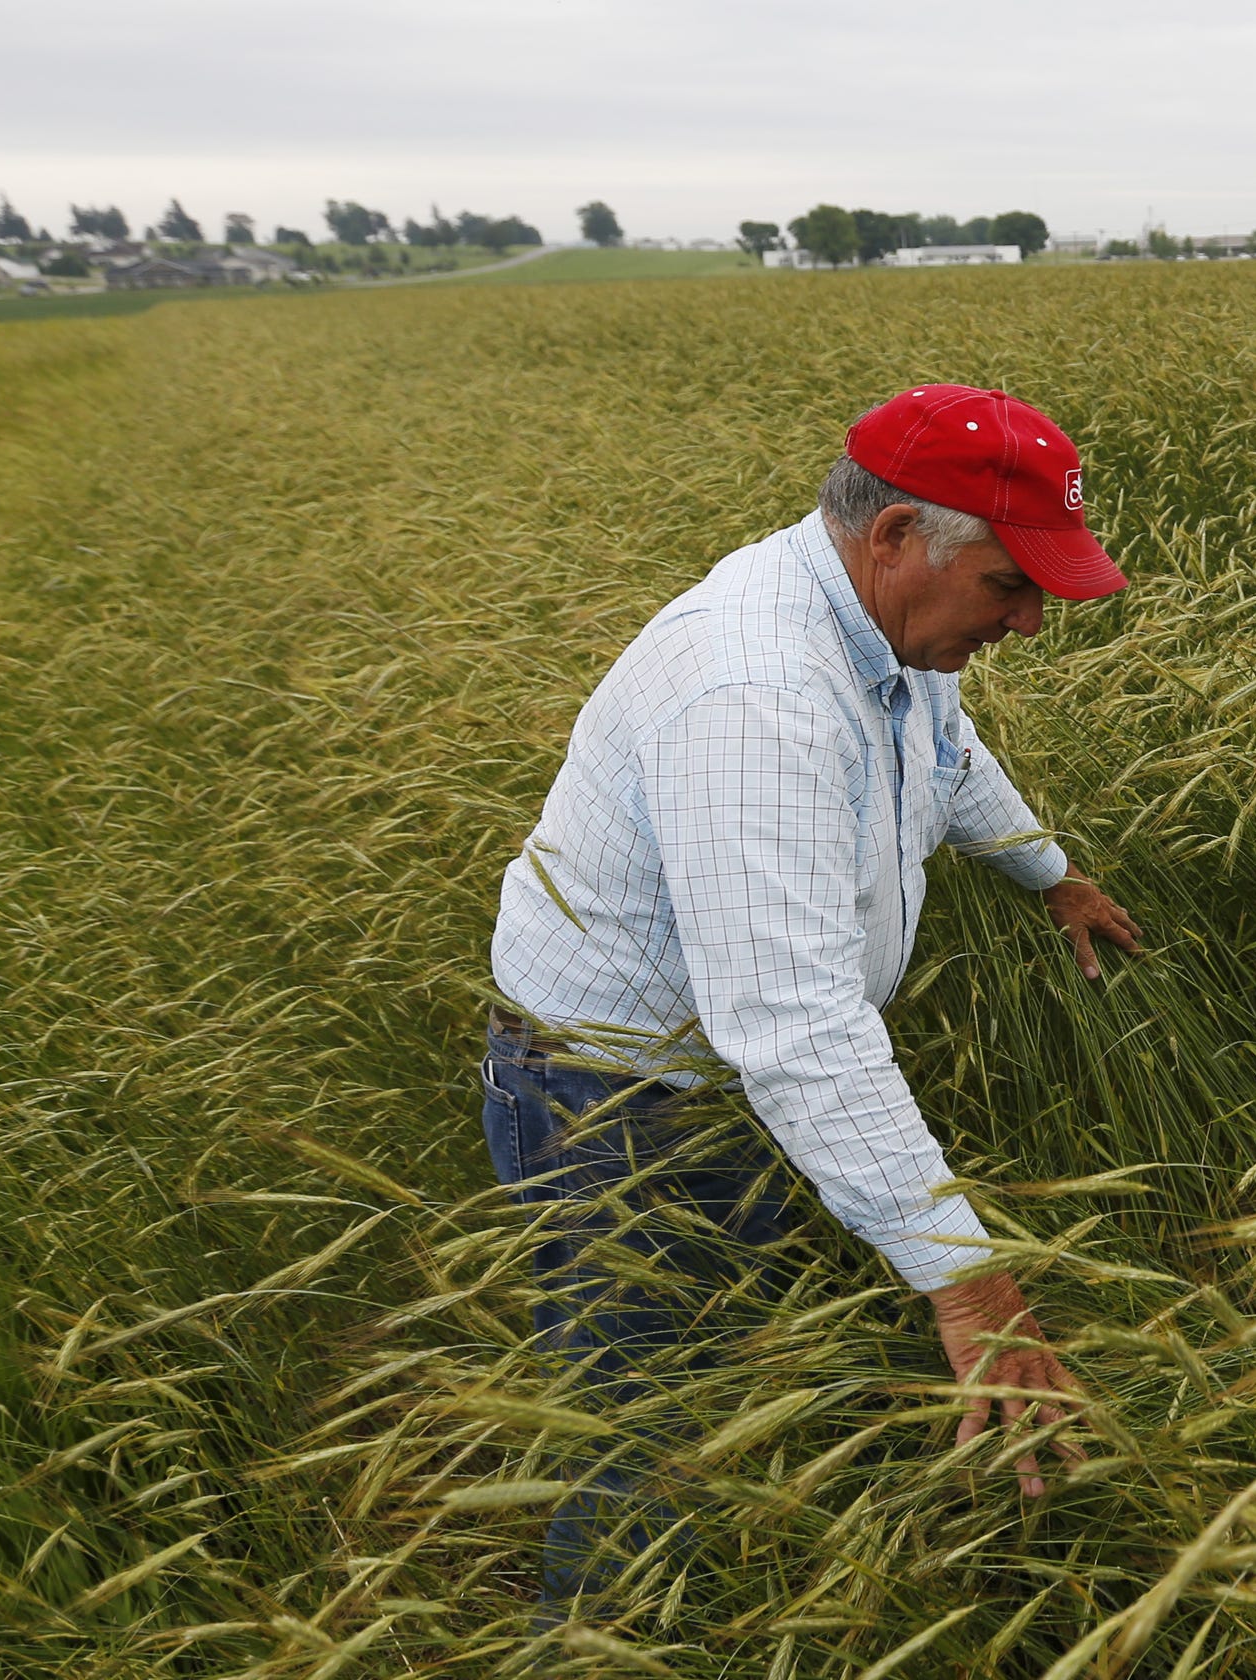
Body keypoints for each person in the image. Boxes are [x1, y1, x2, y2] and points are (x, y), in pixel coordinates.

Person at [480, 383, 1143, 1605]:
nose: (1032, 622)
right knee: (645, 1429)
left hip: (717, 1078)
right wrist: (970, 1284)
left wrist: (1049, 875)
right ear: (894, 536)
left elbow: (944, 753)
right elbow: (792, 1024)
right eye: (1011, 586)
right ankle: (602, 1636)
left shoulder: (878, 625)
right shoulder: (756, 695)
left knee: (726, 1364)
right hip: (613, 1106)